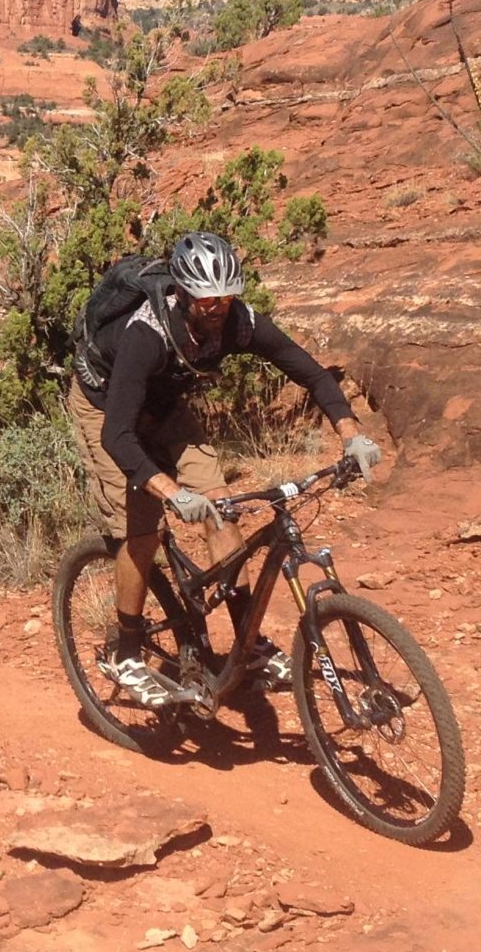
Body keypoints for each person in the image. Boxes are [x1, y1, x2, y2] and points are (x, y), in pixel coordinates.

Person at [67, 230, 382, 704]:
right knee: (141, 529)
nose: (219, 309)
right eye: (208, 300)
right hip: (105, 406)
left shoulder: (241, 322)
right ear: (185, 293)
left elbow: (311, 373)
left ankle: (246, 641)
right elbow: (117, 434)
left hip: (165, 404)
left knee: (221, 508)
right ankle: (126, 653)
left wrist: (351, 435)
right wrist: (171, 492)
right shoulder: (146, 335)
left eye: (227, 298)